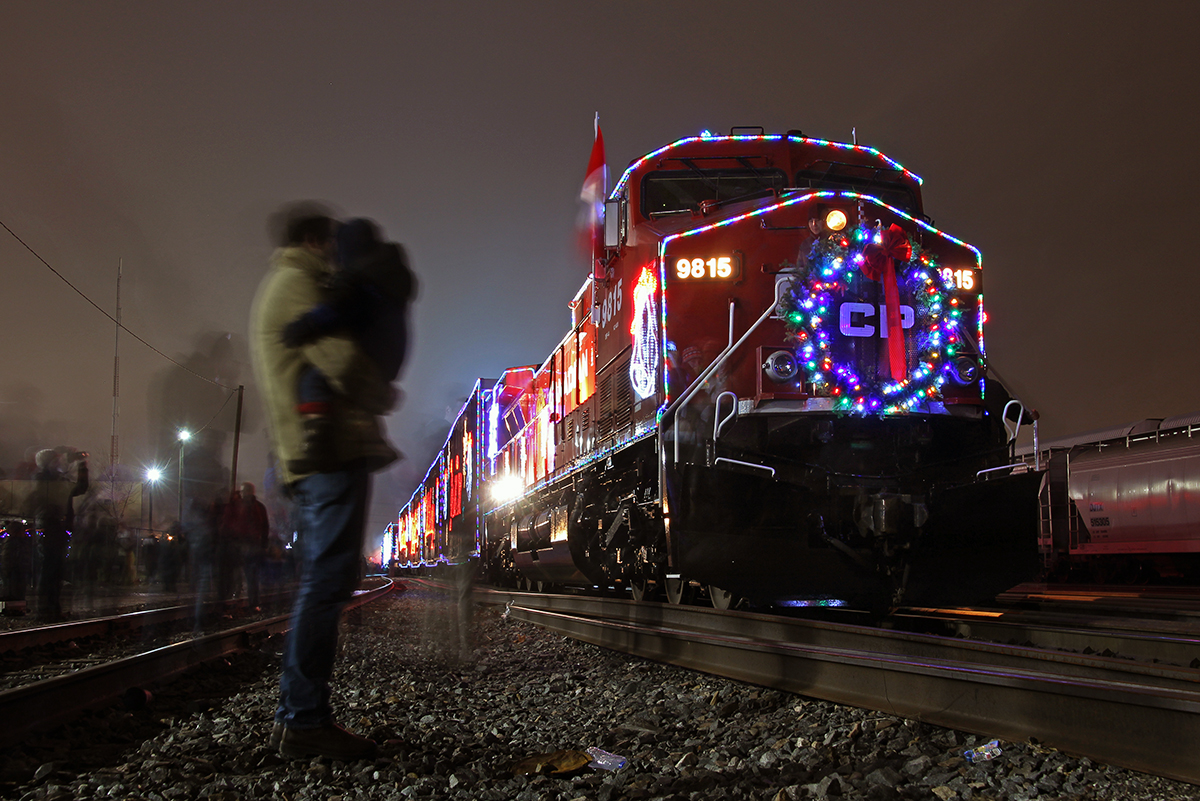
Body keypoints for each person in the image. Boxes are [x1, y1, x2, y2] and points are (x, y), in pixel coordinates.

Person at [250, 203, 400, 761]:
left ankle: (301, 717)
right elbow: (339, 358)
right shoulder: (295, 285)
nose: (338, 254)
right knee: (327, 582)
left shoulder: (290, 283)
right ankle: (303, 719)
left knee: (329, 579)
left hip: (321, 451)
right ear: (315, 241)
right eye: (332, 244)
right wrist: (383, 392)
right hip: (326, 450)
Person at [281, 217, 415, 473]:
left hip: (370, 352)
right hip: (389, 357)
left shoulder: (359, 284)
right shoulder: (388, 280)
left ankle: (317, 444)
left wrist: (305, 326)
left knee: (312, 381)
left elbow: (336, 310)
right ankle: (372, 443)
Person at [21, 449, 88, 620]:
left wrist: (81, 466)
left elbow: (81, 488)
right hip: (49, 526)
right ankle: (44, 610)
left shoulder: (58, 480)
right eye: (56, 460)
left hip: (58, 527)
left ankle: (53, 609)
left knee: (56, 570)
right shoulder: (43, 478)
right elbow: (54, 494)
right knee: (48, 569)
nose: (59, 463)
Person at [222, 482, 270, 610]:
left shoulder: (238, 506)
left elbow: (230, 525)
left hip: (240, 545)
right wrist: (263, 544)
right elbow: (265, 527)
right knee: (252, 577)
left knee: (236, 577)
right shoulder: (259, 507)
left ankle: (233, 603)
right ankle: (254, 603)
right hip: (253, 546)